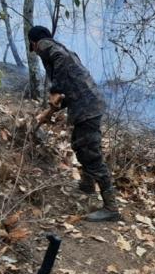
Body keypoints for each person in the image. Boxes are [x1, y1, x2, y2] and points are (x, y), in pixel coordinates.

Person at [30, 26, 121, 222]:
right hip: (87, 106)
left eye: (34, 47)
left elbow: (59, 65)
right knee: (80, 145)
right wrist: (49, 111)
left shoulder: (51, 49)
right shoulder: (66, 54)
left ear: (34, 43)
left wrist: (54, 90)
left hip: (87, 108)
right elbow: (70, 89)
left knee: (91, 154)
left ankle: (111, 207)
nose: (35, 51)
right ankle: (87, 186)